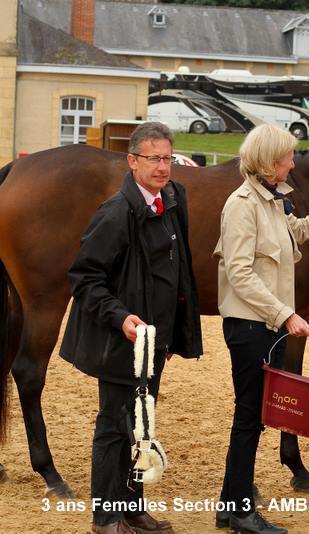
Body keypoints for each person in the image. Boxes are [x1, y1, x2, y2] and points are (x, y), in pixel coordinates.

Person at [213, 124, 309, 534]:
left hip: (267, 325)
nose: (293, 164)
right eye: (287, 158)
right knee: (248, 418)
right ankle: (241, 510)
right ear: (269, 162)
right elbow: (240, 274)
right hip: (251, 326)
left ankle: (231, 505)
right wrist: (286, 314)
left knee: (253, 416)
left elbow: (299, 232)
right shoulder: (242, 205)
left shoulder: (273, 203)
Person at [60, 122, 203, 534]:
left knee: (142, 424)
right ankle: (105, 519)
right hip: (120, 340)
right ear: (132, 161)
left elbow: (176, 274)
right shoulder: (115, 212)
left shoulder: (173, 199)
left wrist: (174, 333)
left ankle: (133, 508)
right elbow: (85, 278)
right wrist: (120, 317)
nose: (162, 167)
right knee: (113, 425)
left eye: (167, 158)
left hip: (155, 342)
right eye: (153, 159)